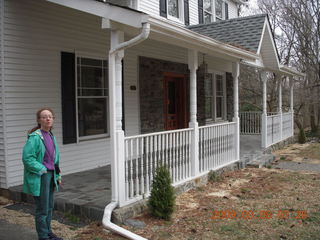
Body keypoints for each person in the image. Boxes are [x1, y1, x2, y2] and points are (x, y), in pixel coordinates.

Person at [22, 108, 63, 240]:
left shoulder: (51, 135)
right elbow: (27, 158)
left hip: (51, 176)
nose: (48, 119)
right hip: (41, 176)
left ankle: (48, 233)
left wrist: (58, 175)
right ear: (39, 120)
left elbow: (54, 159)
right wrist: (43, 169)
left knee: (49, 207)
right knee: (42, 209)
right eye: (44, 117)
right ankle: (43, 237)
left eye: (50, 116)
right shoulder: (35, 137)